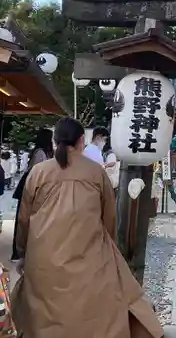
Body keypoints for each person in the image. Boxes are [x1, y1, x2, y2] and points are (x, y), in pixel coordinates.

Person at [11, 117, 164, 338]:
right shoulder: (96, 172)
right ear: (82, 140)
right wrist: (106, 245)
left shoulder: (38, 173)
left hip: (43, 258)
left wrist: (24, 253)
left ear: (55, 142)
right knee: (100, 302)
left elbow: (24, 219)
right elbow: (109, 218)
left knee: (42, 307)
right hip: (89, 254)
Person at [12, 128, 54, 261]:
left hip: (31, 187)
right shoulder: (40, 153)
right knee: (23, 218)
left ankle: (21, 251)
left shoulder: (41, 152)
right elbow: (37, 174)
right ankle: (17, 252)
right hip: (29, 188)